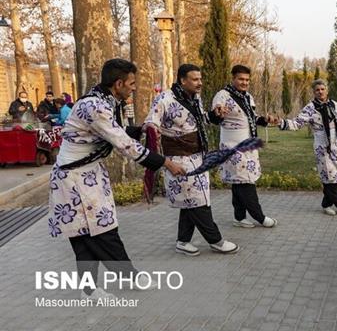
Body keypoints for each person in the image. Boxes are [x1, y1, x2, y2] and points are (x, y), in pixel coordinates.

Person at [49, 58, 186, 301]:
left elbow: (114, 131)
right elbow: (124, 145)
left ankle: (88, 290)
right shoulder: (95, 106)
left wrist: (141, 129)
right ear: (119, 83)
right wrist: (165, 163)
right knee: (102, 230)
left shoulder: (102, 100)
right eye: (132, 83)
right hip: (75, 180)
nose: (134, 88)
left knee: (85, 234)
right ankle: (129, 277)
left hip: (85, 176)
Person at [145, 64, 239, 256]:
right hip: (179, 160)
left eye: (200, 79)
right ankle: (216, 240)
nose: (200, 83)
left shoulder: (195, 98)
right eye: (195, 79)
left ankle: (183, 241)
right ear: (182, 80)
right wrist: (159, 160)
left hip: (198, 157)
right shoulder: (164, 99)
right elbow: (150, 126)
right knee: (199, 201)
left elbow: (200, 121)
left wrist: (214, 116)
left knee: (191, 200)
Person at [212, 65, 278, 228]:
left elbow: (252, 118)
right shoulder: (223, 95)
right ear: (233, 78)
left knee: (238, 181)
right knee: (245, 181)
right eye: (241, 79)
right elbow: (215, 114)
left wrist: (265, 120)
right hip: (232, 147)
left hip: (248, 146)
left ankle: (239, 217)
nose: (244, 82)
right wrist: (218, 112)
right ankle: (260, 217)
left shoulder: (248, 97)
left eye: (247, 80)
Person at [278, 79, 337, 216]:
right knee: (329, 174)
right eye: (317, 90)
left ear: (327, 90)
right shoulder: (310, 108)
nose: (320, 92)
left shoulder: (335, 105)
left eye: (322, 89)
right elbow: (297, 123)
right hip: (322, 145)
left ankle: (326, 204)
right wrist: (281, 122)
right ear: (314, 92)